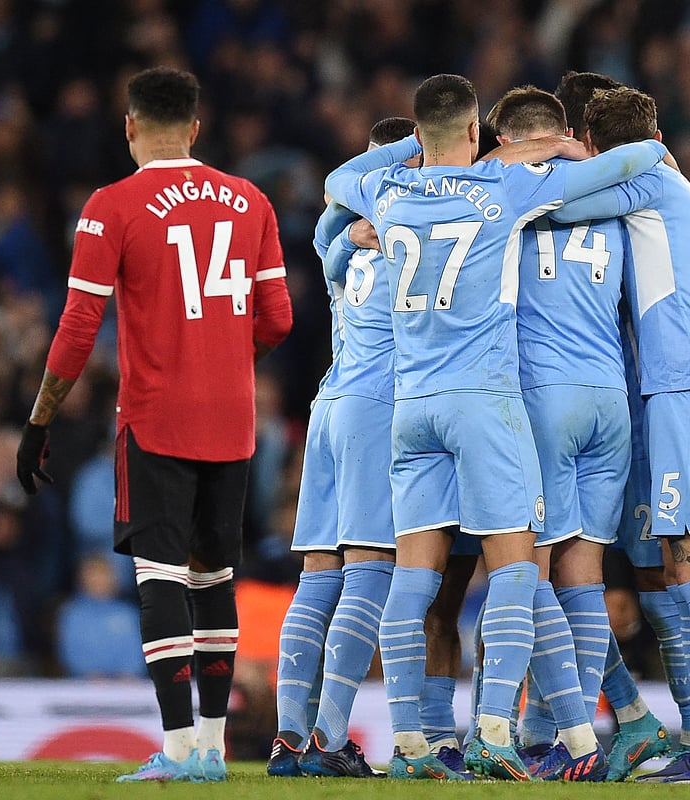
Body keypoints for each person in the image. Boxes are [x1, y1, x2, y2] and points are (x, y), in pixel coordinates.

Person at [322, 73, 668, 780]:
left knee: (412, 583)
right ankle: (494, 732)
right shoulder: (502, 189)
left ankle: (411, 745)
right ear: (476, 131)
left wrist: (414, 156)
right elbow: (637, 161)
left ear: (420, 134)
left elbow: (336, 179)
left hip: (412, 407)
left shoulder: (387, 189)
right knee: (515, 569)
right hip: (485, 400)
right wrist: (554, 146)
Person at [15, 66, 293, 783]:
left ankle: (177, 749)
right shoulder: (251, 200)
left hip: (156, 419)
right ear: (196, 127)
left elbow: (79, 325)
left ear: (130, 125)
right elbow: (278, 319)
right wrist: (224, 361)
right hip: (232, 421)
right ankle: (212, 748)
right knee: (215, 578)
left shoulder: (112, 206)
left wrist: (40, 420)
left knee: (160, 577)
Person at [549, 87, 690, 784]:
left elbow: (555, 204)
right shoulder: (670, 190)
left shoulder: (647, 179)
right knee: (683, 568)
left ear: (598, 146)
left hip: (687, 395)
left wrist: (544, 150)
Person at [267, 116, 419, 779]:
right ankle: (329, 739)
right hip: (376, 407)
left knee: (317, 574)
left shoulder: (342, 240)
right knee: (370, 568)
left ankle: (287, 737)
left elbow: (325, 231)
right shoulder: (417, 233)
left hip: (328, 402)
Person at [485, 85, 619, 782]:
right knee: (584, 579)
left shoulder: (501, 191)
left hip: (543, 396)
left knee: (525, 570)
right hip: (610, 397)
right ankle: (555, 740)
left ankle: (560, 734)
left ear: (504, 139)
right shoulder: (614, 190)